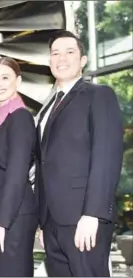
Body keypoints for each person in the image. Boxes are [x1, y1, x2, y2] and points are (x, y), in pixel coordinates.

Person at [36, 30, 123, 276]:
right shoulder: (46, 110)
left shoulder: (99, 96)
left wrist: (92, 214)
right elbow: (45, 165)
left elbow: (106, 157)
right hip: (52, 222)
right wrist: (43, 222)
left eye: (69, 52)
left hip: (84, 219)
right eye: (55, 53)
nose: (61, 58)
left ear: (83, 60)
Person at [0, 57, 38, 276]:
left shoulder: (20, 117)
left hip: (13, 217)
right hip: (1, 214)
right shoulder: (1, 120)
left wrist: (1, 223)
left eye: (5, 77)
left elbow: (16, 173)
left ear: (18, 82)